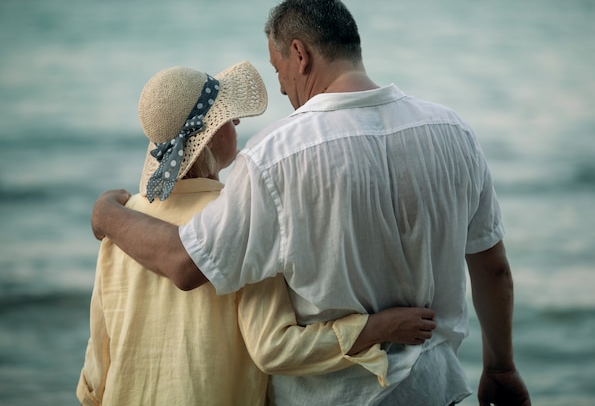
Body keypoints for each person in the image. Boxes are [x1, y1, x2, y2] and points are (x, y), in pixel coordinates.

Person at [91, 0, 531, 406]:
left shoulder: (273, 155)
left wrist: (108, 214)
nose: (281, 86)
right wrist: (502, 367)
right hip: (432, 390)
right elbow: (493, 269)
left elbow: (188, 265)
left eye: (277, 68)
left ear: (299, 54)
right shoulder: (453, 132)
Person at [77, 61, 437, 406]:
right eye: (227, 115)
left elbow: (97, 370)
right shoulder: (241, 216)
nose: (235, 119)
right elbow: (275, 349)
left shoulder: (123, 223)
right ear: (212, 134)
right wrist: (377, 327)